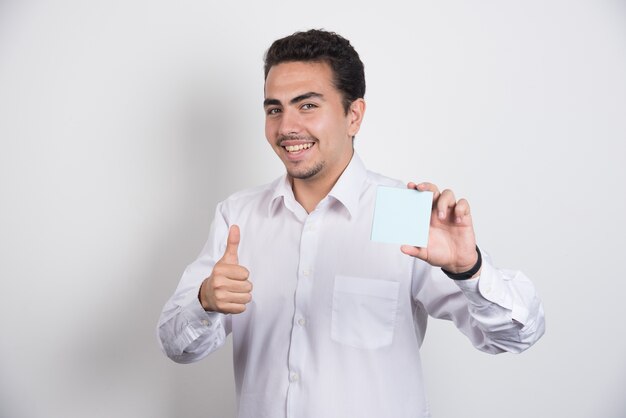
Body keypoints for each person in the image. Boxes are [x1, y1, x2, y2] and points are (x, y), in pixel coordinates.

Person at [157, 29, 545, 418]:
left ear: (353, 115)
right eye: (274, 109)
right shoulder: (238, 217)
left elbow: (516, 336)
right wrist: (205, 301)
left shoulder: (404, 213)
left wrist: (470, 270)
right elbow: (177, 347)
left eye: (307, 106)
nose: (286, 126)